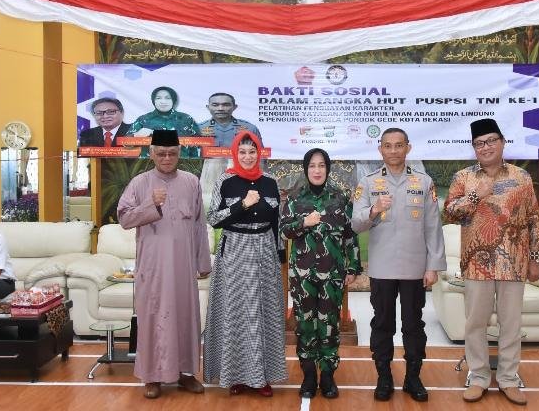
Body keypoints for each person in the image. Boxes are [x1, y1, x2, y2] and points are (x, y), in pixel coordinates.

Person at [444, 118, 539, 406]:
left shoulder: (521, 178)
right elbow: (449, 212)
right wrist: (476, 196)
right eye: (479, 143)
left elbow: (533, 218)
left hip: (514, 262)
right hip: (477, 263)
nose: (485, 147)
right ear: (473, 148)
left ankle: (509, 379)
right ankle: (478, 377)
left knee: (511, 324)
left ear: (502, 142)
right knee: (475, 323)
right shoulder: (464, 178)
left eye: (491, 141)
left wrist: (535, 258)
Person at [352, 127, 446, 403]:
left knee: (413, 325)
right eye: (388, 146)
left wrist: (433, 266)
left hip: (414, 268)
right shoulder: (368, 182)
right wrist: (374, 209)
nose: (393, 150)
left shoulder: (424, 181)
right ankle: (384, 377)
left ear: (408, 148)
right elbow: (356, 224)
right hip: (382, 268)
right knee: (382, 324)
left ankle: (413, 377)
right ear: (380, 149)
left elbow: (433, 226)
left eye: (399, 145)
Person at [117, 129, 211, 399]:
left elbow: (199, 224)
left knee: (185, 318)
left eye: (171, 153)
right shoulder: (139, 183)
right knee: (153, 319)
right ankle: (152, 376)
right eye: (161, 153)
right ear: (151, 153)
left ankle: (185, 373)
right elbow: (124, 219)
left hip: (183, 268)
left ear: (179, 153)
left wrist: (203, 262)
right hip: (153, 268)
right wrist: (150, 204)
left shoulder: (191, 182)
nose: (167, 158)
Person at [203, 130, 287, 397]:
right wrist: (242, 204)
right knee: (236, 312)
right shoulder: (225, 181)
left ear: (259, 154)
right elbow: (213, 218)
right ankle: (236, 375)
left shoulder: (271, 182)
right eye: (242, 152)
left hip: (264, 250)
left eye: (252, 152)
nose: (248, 157)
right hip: (235, 250)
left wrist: (280, 254)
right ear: (234, 154)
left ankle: (261, 377)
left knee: (263, 313)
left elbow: (277, 222)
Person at [280, 148, 362, 399]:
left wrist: (353, 267)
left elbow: (350, 235)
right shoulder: (294, 199)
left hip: (332, 276)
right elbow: (283, 232)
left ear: (327, 169)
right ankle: (308, 375)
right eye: (312, 166)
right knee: (305, 326)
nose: (317, 170)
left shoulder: (340, 198)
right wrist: (303, 223)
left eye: (321, 165)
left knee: (329, 326)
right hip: (302, 276)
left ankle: (327, 376)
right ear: (306, 169)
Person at [127, 86, 201, 157]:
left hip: (182, 162)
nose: (163, 101)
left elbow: (200, 143)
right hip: (149, 162)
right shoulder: (143, 119)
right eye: (158, 98)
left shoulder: (186, 119)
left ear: (173, 100)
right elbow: (125, 143)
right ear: (153, 101)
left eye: (168, 98)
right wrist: (135, 135)